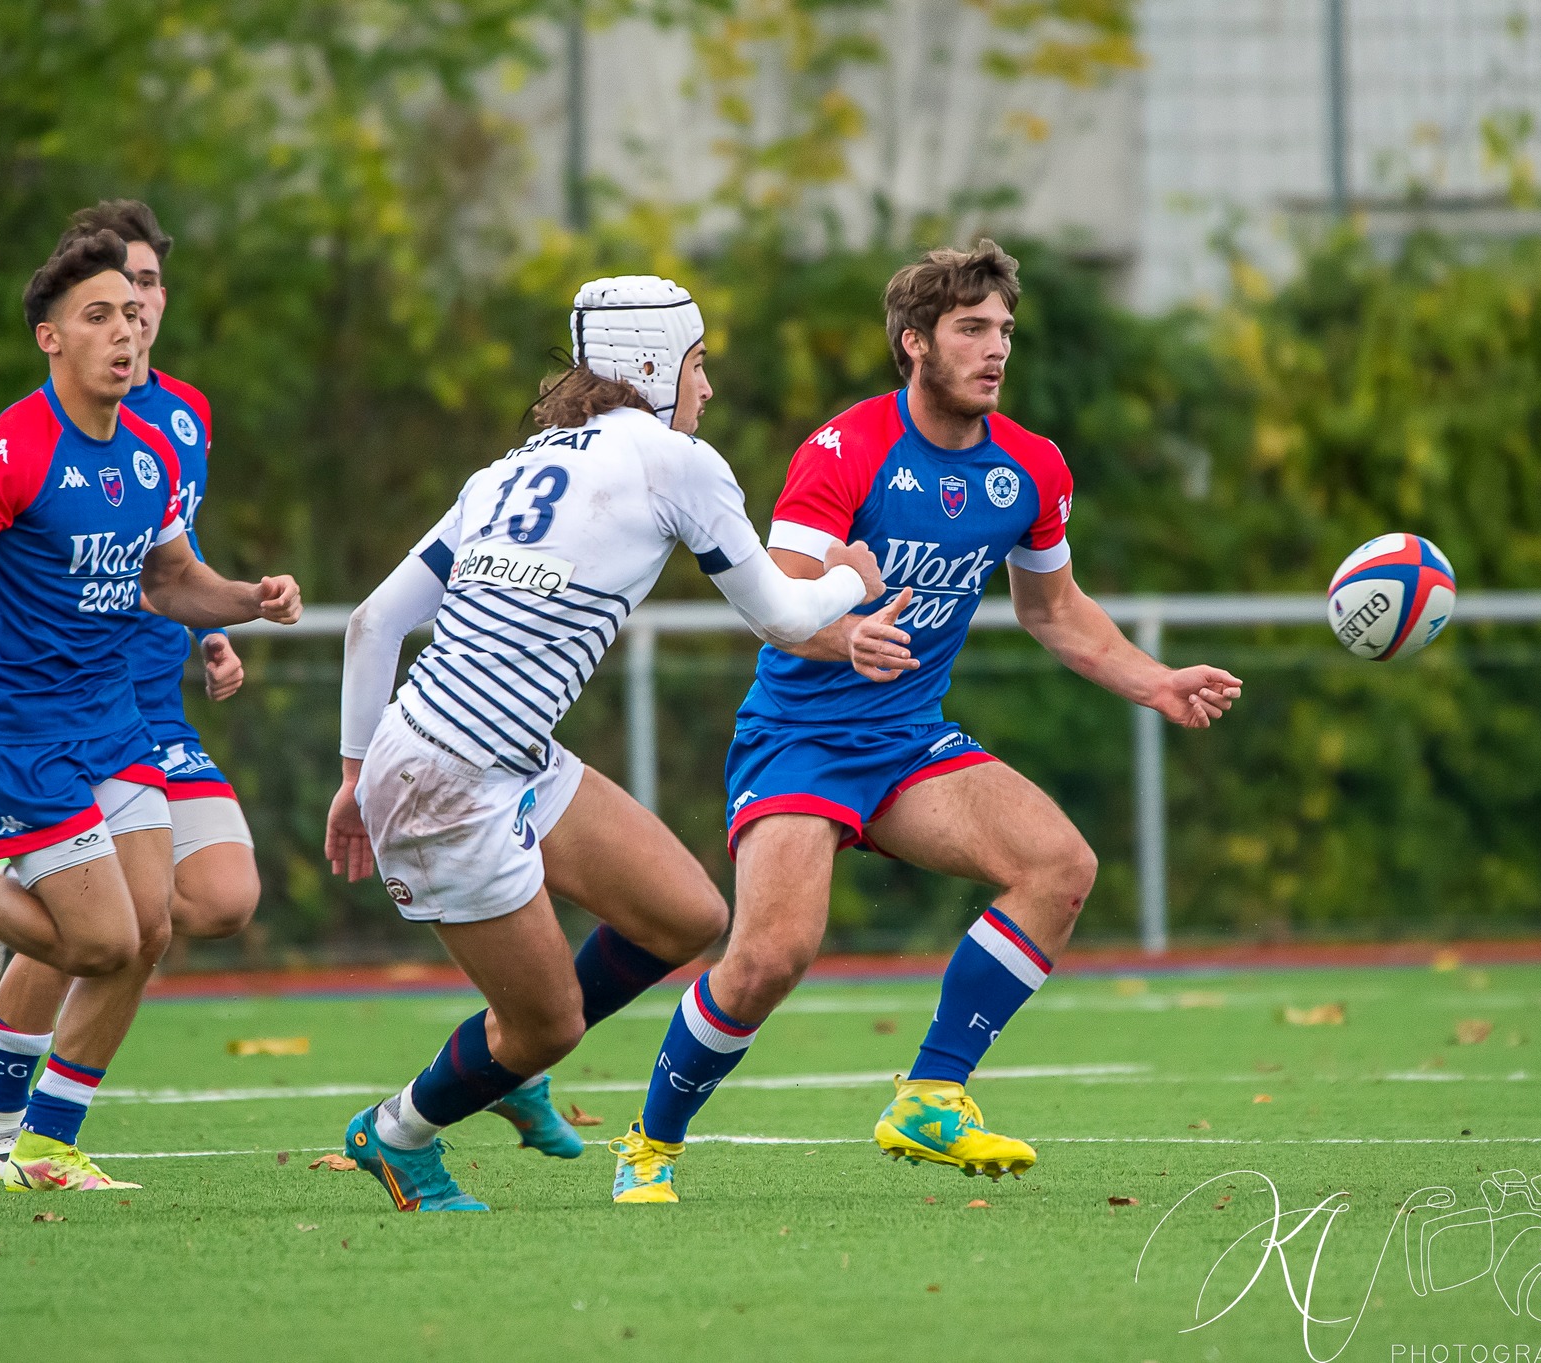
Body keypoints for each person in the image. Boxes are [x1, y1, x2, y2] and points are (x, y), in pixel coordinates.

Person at [607, 241, 1243, 1203]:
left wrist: (1154, 681)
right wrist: (844, 632)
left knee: (1060, 867)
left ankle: (932, 1094)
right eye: (972, 330)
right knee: (772, 954)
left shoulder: (1031, 467)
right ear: (915, 343)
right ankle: (650, 1142)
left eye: (1005, 332)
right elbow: (777, 601)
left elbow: (1055, 611)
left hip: (910, 741)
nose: (996, 351)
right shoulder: (843, 450)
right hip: (800, 737)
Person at [322, 276, 884, 1212]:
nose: (707, 389)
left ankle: (505, 1056)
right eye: (698, 365)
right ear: (657, 366)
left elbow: (373, 624)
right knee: (548, 1028)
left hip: (472, 752)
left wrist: (355, 773)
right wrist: (850, 577)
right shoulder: (676, 461)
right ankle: (397, 1133)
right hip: (449, 778)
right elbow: (786, 619)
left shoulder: (508, 466)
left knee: (686, 916)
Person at [0, 229, 302, 1193]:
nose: (124, 333)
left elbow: (175, 583)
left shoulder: (147, 454)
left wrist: (249, 600)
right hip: (24, 737)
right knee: (97, 940)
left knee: (150, 932)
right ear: (49, 338)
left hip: (116, 728)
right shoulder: (12, 449)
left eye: (132, 314)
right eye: (98, 317)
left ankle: (35, 1142)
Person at [0, 201, 266, 1184]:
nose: (135, 311)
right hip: (62, 716)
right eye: (116, 295)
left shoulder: (184, 418)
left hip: (145, 707)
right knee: (115, 932)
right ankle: (26, 1130)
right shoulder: (50, 427)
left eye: (149, 290)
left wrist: (213, 627)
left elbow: (174, 546)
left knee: (218, 899)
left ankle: (32, 895)